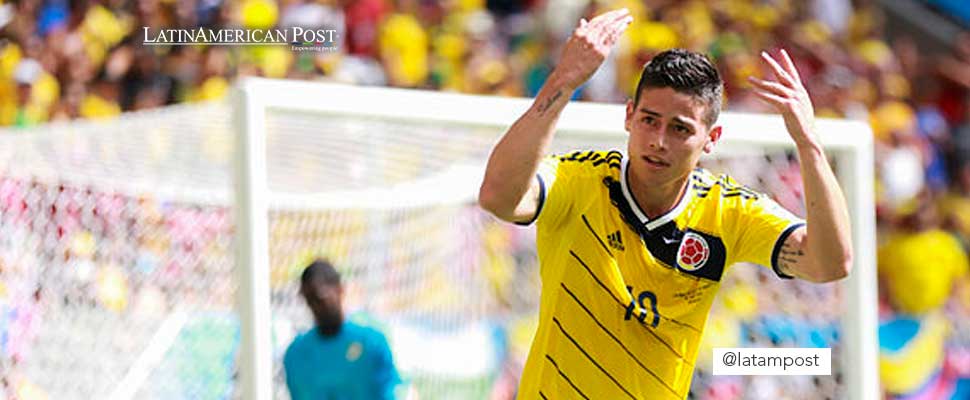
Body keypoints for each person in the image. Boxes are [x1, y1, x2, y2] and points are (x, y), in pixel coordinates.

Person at [477, 8, 853, 399]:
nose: (658, 140)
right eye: (649, 120)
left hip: (719, 358)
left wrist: (809, 145)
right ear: (628, 116)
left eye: (679, 129)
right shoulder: (578, 181)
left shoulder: (728, 213)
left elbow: (831, 263)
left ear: (712, 138)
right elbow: (497, 197)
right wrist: (564, 80)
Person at [283, 259, 402, 400]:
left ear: (340, 289)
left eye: (321, 298)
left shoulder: (371, 342)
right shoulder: (296, 353)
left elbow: (392, 390)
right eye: (309, 299)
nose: (315, 306)